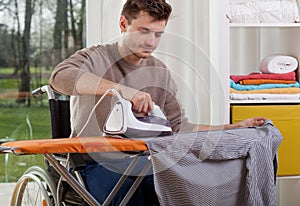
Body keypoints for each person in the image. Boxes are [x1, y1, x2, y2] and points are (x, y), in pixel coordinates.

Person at [49, 0, 266, 205]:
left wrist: (231, 128)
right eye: (144, 31)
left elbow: (180, 127)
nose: (151, 42)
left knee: (188, 190)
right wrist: (121, 90)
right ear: (124, 24)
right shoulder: (96, 57)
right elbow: (59, 77)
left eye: (158, 34)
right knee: (128, 199)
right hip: (95, 162)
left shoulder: (160, 71)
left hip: (146, 160)